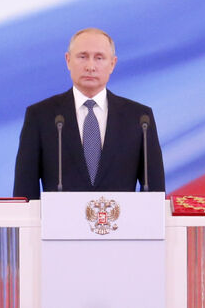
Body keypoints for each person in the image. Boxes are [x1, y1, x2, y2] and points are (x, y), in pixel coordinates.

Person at [13, 28, 165, 199]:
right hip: (60, 225)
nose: (90, 66)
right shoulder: (40, 116)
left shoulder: (140, 119)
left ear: (112, 64)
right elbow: (24, 194)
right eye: (82, 57)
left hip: (120, 224)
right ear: (68, 60)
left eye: (99, 58)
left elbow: (155, 193)